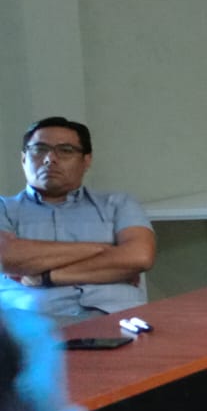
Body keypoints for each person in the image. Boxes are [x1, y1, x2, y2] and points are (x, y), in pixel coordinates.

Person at [0, 117, 156, 324]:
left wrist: (46, 277)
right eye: (39, 149)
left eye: (65, 150)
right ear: (23, 158)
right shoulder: (4, 208)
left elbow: (140, 256)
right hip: (32, 324)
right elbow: (6, 257)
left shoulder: (118, 203)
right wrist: (103, 249)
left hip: (118, 318)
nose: (49, 159)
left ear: (86, 160)